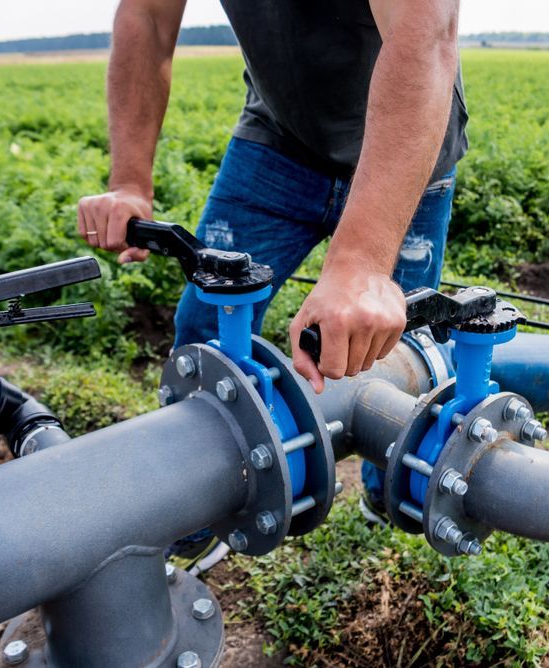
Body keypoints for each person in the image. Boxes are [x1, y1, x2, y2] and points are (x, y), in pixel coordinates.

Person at [78, 0, 467, 534]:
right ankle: (199, 503)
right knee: (206, 330)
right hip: (279, 142)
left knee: (400, 354)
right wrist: (128, 182)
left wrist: (361, 263)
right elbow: (146, 15)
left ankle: (390, 494)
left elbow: (424, 34)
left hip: (407, 149)